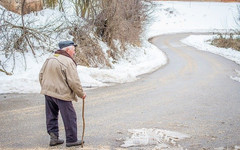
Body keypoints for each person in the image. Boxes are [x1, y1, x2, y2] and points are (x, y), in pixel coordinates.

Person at [39, 41, 86, 147]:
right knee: (70, 116)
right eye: (73, 50)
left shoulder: (50, 58)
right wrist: (81, 93)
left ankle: (54, 138)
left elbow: (41, 75)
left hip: (48, 92)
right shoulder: (68, 61)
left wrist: (45, 87)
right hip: (61, 93)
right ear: (68, 50)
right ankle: (72, 140)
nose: (74, 52)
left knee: (51, 115)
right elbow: (74, 81)